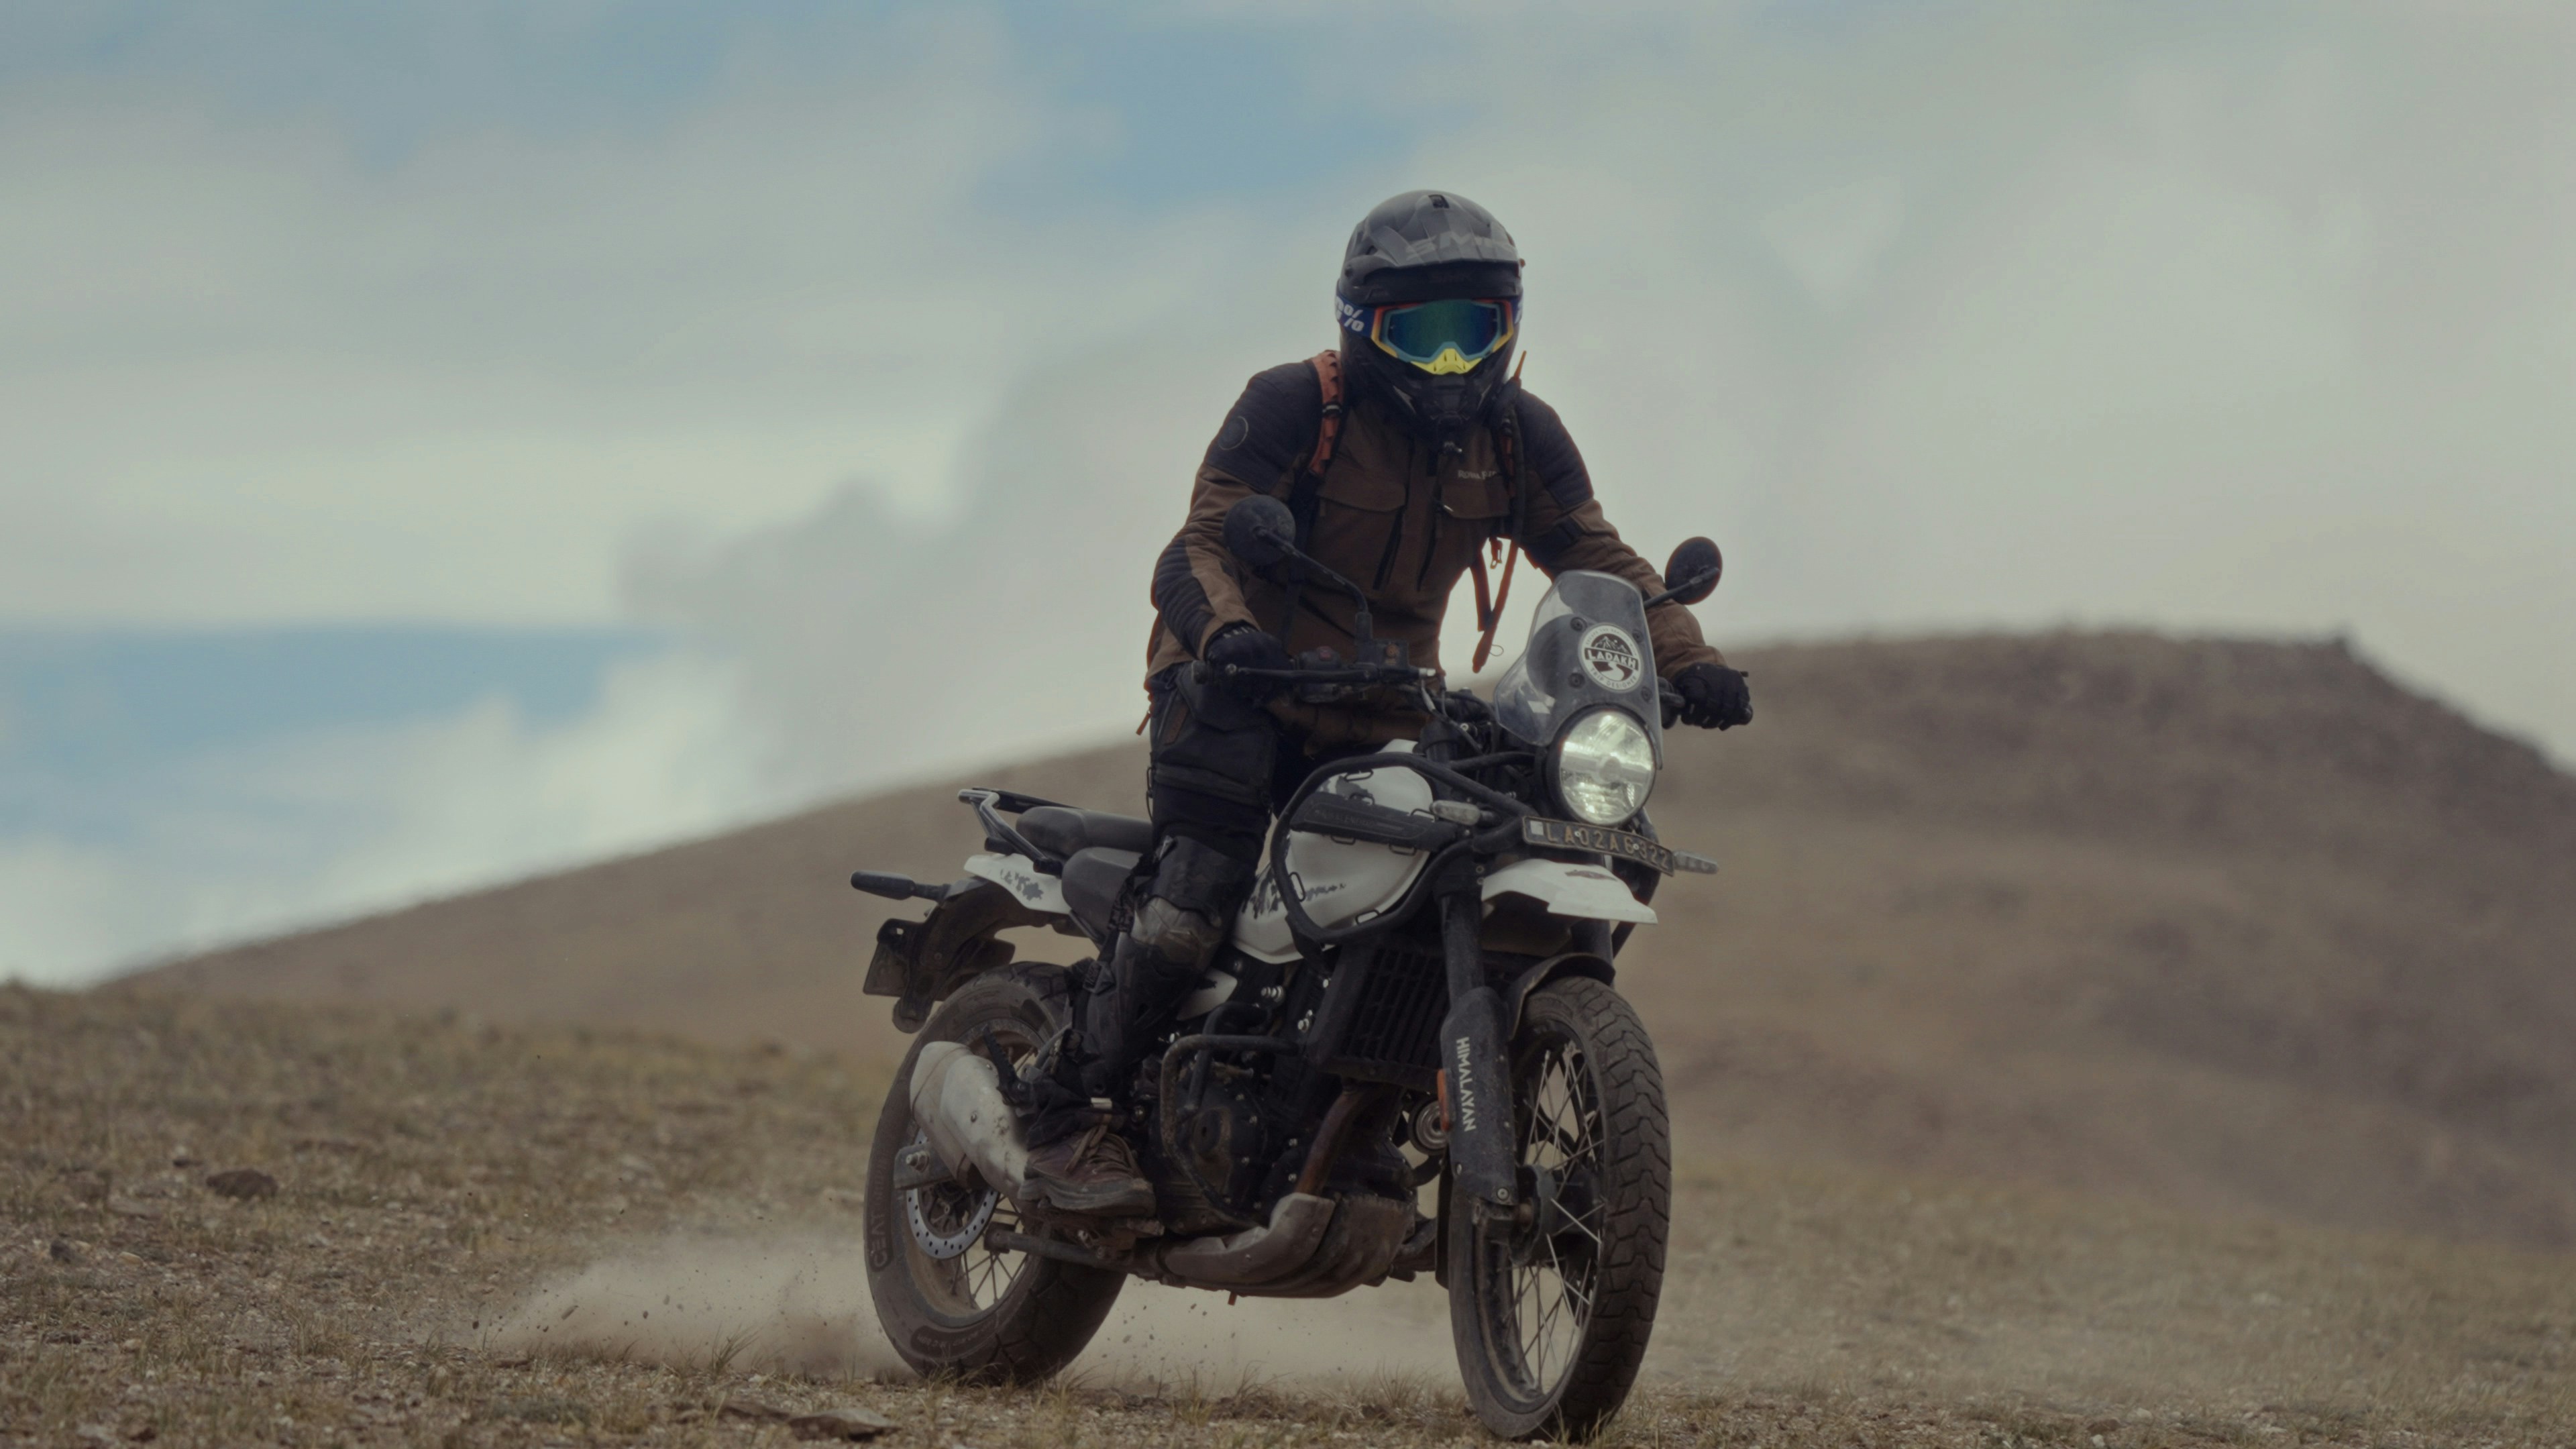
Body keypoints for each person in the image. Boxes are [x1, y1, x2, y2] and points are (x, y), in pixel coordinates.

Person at [1016, 189, 1754, 1218]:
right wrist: (1228, 639)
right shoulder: (1295, 405)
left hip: (1383, 708)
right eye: (1422, 335)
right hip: (1236, 689)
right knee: (1194, 898)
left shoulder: (1517, 434)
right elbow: (1200, 542)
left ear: (1509, 327)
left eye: (1474, 333)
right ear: (1362, 326)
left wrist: (1685, 654)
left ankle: (1356, 1114)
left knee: (1455, 877)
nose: (1450, 365)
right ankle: (1065, 1108)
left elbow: (1593, 554)